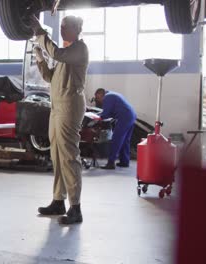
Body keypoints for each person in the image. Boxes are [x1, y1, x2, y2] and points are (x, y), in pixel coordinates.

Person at [31, 15, 89, 225]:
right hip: (57, 107)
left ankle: (76, 207)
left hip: (69, 107)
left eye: (65, 27)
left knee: (68, 156)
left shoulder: (78, 49)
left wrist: (39, 32)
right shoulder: (66, 55)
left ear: (76, 28)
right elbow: (49, 77)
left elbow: (55, 51)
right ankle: (58, 200)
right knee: (56, 155)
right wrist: (39, 55)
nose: (62, 30)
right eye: (62, 27)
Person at [94, 88, 136, 170]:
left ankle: (111, 163)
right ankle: (124, 162)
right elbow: (109, 112)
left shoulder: (107, 97)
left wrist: (95, 116)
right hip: (131, 116)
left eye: (98, 98)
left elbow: (105, 114)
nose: (98, 101)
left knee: (116, 139)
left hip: (124, 117)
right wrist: (98, 114)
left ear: (101, 94)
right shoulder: (112, 94)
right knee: (125, 140)